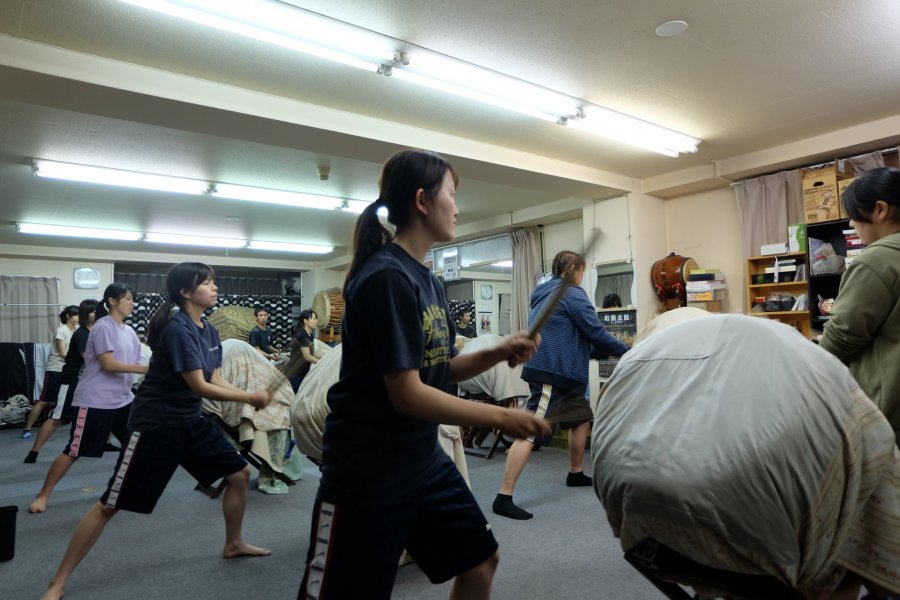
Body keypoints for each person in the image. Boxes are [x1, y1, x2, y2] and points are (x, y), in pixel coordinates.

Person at [298, 149, 550, 600]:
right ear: (422, 201)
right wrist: (501, 417)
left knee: (480, 560)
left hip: (418, 458)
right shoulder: (385, 278)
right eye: (452, 194)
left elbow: (437, 369)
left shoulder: (427, 280)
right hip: (367, 469)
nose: (457, 206)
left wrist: (498, 351)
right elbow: (408, 395)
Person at [591, 309, 900, 600]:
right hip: (765, 540)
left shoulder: (652, 357)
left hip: (638, 516)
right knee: (851, 523)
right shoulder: (780, 359)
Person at [39, 263, 273, 600]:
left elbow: (215, 377)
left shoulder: (208, 330)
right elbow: (198, 385)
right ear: (186, 292)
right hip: (156, 426)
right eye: (206, 283)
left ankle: (233, 543)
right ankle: (57, 582)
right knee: (110, 504)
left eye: (213, 282)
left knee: (238, 473)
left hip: (190, 422)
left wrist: (244, 392)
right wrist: (249, 397)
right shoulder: (177, 329)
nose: (214, 287)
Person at [493, 250, 628, 520]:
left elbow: (574, 336)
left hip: (566, 373)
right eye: (582, 271)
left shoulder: (545, 293)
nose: (582, 276)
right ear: (575, 270)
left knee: (581, 419)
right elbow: (595, 332)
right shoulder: (572, 293)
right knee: (530, 429)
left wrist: (603, 351)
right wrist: (627, 350)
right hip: (551, 373)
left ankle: (575, 473)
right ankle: (503, 495)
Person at [28, 287, 145, 514]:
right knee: (74, 450)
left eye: (133, 299)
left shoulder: (129, 331)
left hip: (123, 400)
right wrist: (147, 368)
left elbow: (135, 362)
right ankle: (43, 495)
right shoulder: (103, 327)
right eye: (128, 299)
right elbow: (109, 364)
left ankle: (121, 492)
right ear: (112, 300)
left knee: (137, 446)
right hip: (96, 400)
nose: (132, 303)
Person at [818, 167, 900, 448]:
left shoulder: (876, 260)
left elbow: (843, 336)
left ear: (880, 209)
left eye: (854, 214)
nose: (852, 224)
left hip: (887, 410)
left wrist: (809, 363)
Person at [24, 299, 98, 463]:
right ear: (87, 314)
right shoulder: (81, 334)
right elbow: (90, 360)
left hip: (84, 381)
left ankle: (90, 445)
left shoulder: (92, 332)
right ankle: (34, 452)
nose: (99, 314)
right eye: (95, 311)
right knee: (57, 417)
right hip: (70, 380)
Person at [21, 305, 79, 439]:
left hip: (69, 370)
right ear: (68, 316)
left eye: (79, 315)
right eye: (75, 315)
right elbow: (63, 353)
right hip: (56, 369)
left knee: (70, 400)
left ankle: (61, 425)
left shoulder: (76, 331)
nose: (78, 318)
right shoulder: (61, 331)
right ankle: (27, 429)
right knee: (44, 401)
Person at [281, 309, 323, 392]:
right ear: (305, 320)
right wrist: (322, 362)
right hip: (295, 374)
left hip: (302, 373)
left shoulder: (309, 334)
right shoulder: (302, 335)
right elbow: (307, 357)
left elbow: (312, 353)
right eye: (314, 319)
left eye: (316, 319)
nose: (316, 321)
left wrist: (326, 357)